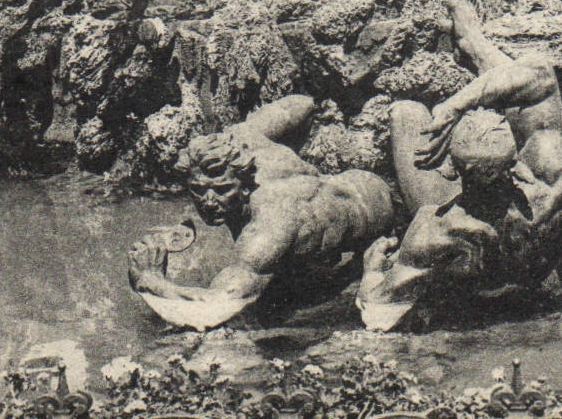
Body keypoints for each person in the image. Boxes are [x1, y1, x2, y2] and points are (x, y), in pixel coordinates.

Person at [356, 0, 562, 330]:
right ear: (518, 166)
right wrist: (459, 104)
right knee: (537, 118)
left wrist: (371, 272)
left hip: (469, 284)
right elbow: (540, 75)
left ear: (449, 169)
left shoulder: (433, 230)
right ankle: (475, 45)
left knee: (407, 113)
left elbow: (376, 310)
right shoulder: (549, 182)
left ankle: (471, 50)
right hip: (534, 275)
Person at [127, 95, 396, 329]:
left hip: (377, 214)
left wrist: (151, 279)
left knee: (260, 309)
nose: (208, 201)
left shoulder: (269, 224)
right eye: (198, 189)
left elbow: (215, 308)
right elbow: (301, 105)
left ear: (245, 186)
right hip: (349, 184)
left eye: (221, 190)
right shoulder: (241, 140)